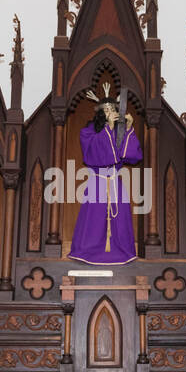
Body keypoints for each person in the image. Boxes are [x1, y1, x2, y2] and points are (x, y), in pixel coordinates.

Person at [69, 89, 142, 265]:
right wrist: (109, 128)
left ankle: (122, 252)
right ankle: (87, 252)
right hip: (97, 181)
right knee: (93, 218)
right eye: (106, 110)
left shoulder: (119, 133)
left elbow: (132, 156)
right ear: (100, 113)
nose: (110, 113)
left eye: (113, 109)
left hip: (115, 181)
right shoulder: (88, 132)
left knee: (120, 219)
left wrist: (129, 128)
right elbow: (93, 154)